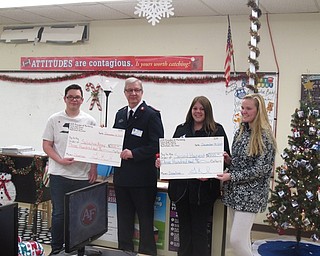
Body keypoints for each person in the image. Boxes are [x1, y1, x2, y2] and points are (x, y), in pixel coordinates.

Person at [156, 96, 230, 256]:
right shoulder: (181, 129)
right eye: (195, 108)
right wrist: (163, 163)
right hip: (182, 191)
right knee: (184, 231)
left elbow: (225, 161)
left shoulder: (217, 130)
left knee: (199, 231)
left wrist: (210, 174)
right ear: (191, 110)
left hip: (203, 193)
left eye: (201, 109)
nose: (198, 112)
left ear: (207, 111)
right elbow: (173, 157)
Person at [216, 93, 277, 256]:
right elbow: (241, 162)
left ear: (259, 111)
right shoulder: (241, 131)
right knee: (241, 240)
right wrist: (229, 161)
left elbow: (261, 169)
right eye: (242, 108)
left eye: (248, 108)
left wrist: (232, 176)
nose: (244, 111)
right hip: (234, 193)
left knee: (236, 240)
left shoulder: (265, 136)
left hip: (251, 196)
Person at [42, 84, 97, 255]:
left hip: (82, 176)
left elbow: (95, 147)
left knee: (81, 216)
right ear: (65, 99)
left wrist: (93, 169)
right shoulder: (54, 119)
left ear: (82, 100)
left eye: (77, 97)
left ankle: (79, 249)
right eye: (70, 96)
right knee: (59, 214)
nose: (74, 100)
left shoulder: (90, 121)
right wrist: (60, 160)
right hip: (59, 174)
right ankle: (56, 249)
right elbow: (46, 145)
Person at [113, 77, 164, 255]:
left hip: (143, 180)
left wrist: (134, 154)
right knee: (124, 222)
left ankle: (146, 253)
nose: (133, 93)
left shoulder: (151, 114)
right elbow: (114, 141)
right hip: (122, 179)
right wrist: (104, 137)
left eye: (136, 90)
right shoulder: (120, 114)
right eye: (129, 90)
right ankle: (124, 253)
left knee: (145, 222)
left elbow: (156, 144)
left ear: (141, 92)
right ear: (125, 93)